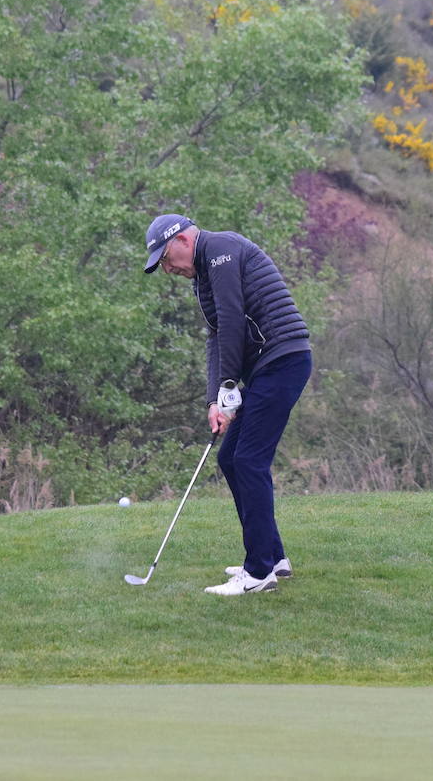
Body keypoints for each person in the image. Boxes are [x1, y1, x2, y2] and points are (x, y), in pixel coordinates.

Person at [143, 213, 312, 596]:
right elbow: (216, 336)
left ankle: (257, 573)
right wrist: (214, 399)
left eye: (167, 259)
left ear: (184, 240)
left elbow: (234, 322)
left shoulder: (220, 250)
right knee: (230, 459)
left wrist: (229, 388)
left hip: (282, 361)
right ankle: (272, 556)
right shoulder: (204, 272)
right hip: (268, 367)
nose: (168, 270)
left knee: (249, 460)